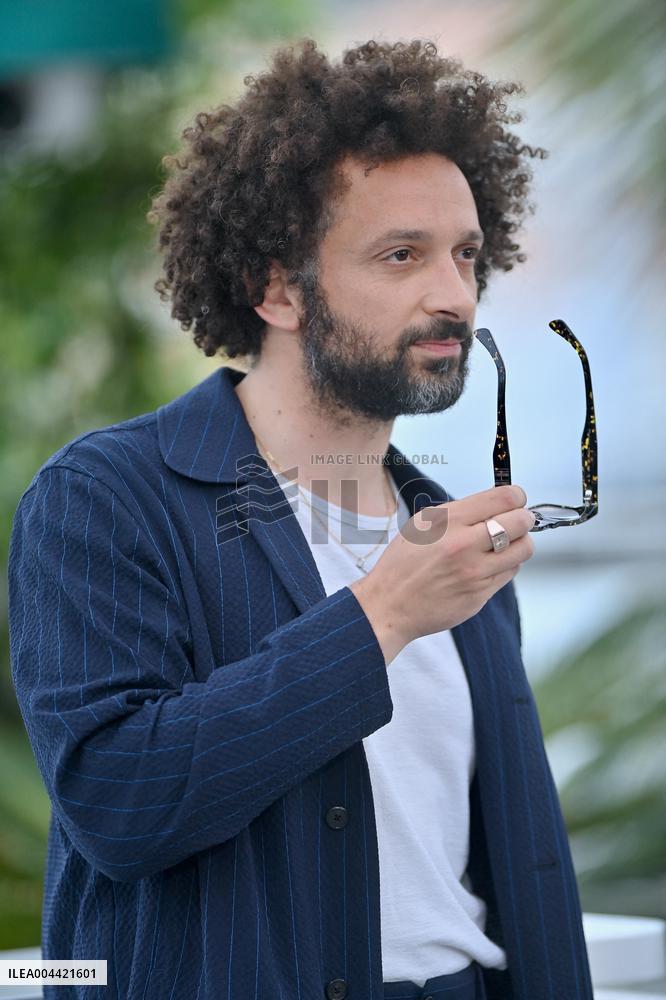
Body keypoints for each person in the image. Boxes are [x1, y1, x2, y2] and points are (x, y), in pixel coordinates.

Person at [7, 38, 594, 1000]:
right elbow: (118, 803)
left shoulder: (447, 533)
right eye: (401, 255)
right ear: (276, 288)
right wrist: (381, 617)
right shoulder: (106, 498)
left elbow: (517, 864)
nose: (454, 295)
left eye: (466, 254)